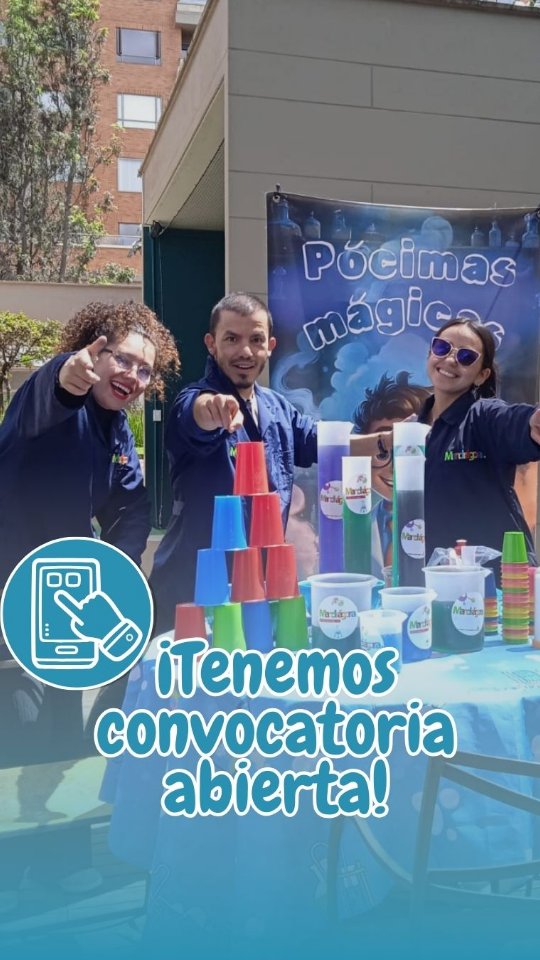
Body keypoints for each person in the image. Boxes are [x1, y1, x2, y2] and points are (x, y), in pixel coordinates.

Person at [0, 300, 180, 765]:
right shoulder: (48, 401)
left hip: (68, 609)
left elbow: (132, 507)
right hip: (12, 603)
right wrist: (65, 374)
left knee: (64, 744)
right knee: (23, 739)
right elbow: (52, 391)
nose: (133, 376)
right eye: (122, 359)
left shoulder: (117, 429)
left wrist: (114, 572)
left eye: (145, 369)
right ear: (92, 352)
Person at [150, 292, 318, 632]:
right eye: (231, 339)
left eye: (256, 340)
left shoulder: (278, 409)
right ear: (211, 344)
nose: (245, 351)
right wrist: (214, 410)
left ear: (270, 346)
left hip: (257, 593)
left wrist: (385, 442)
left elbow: (324, 443)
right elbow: (198, 413)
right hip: (192, 594)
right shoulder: (193, 399)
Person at [353, 319, 540, 569]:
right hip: (433, 578)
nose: (451, 359)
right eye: (442, 348)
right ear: (430, 354)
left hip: (497, 581)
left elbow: (516, 423)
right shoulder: (411, 430)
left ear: (482, 375)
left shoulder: (484, 417)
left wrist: (532, 423)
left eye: (466, 356)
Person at [351, 372, 432, 578]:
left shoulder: (449, 516)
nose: (397, 467)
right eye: (383, 452)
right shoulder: (354, 522)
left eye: (410, 452)